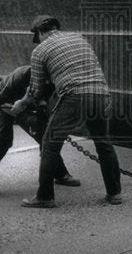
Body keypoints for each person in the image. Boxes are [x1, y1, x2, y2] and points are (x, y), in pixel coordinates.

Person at [11, 15, 122, 208]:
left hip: (75, 96)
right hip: (101, 93)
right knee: (104, 143)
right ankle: (115, 194)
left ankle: (45, 197)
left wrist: (21, 104)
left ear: (39, 32)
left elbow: (35, 90)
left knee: (49, 143)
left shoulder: (40, 50)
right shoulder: (79, 38)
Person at [0, 65, 80, 199]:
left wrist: (42, 109)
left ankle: (60, 174)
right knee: (3, 142)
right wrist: (20, 108)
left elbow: (43, 99)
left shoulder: (54, 79)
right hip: (3, 103)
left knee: (45, 138)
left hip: (26, 103)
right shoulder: (22, 74)